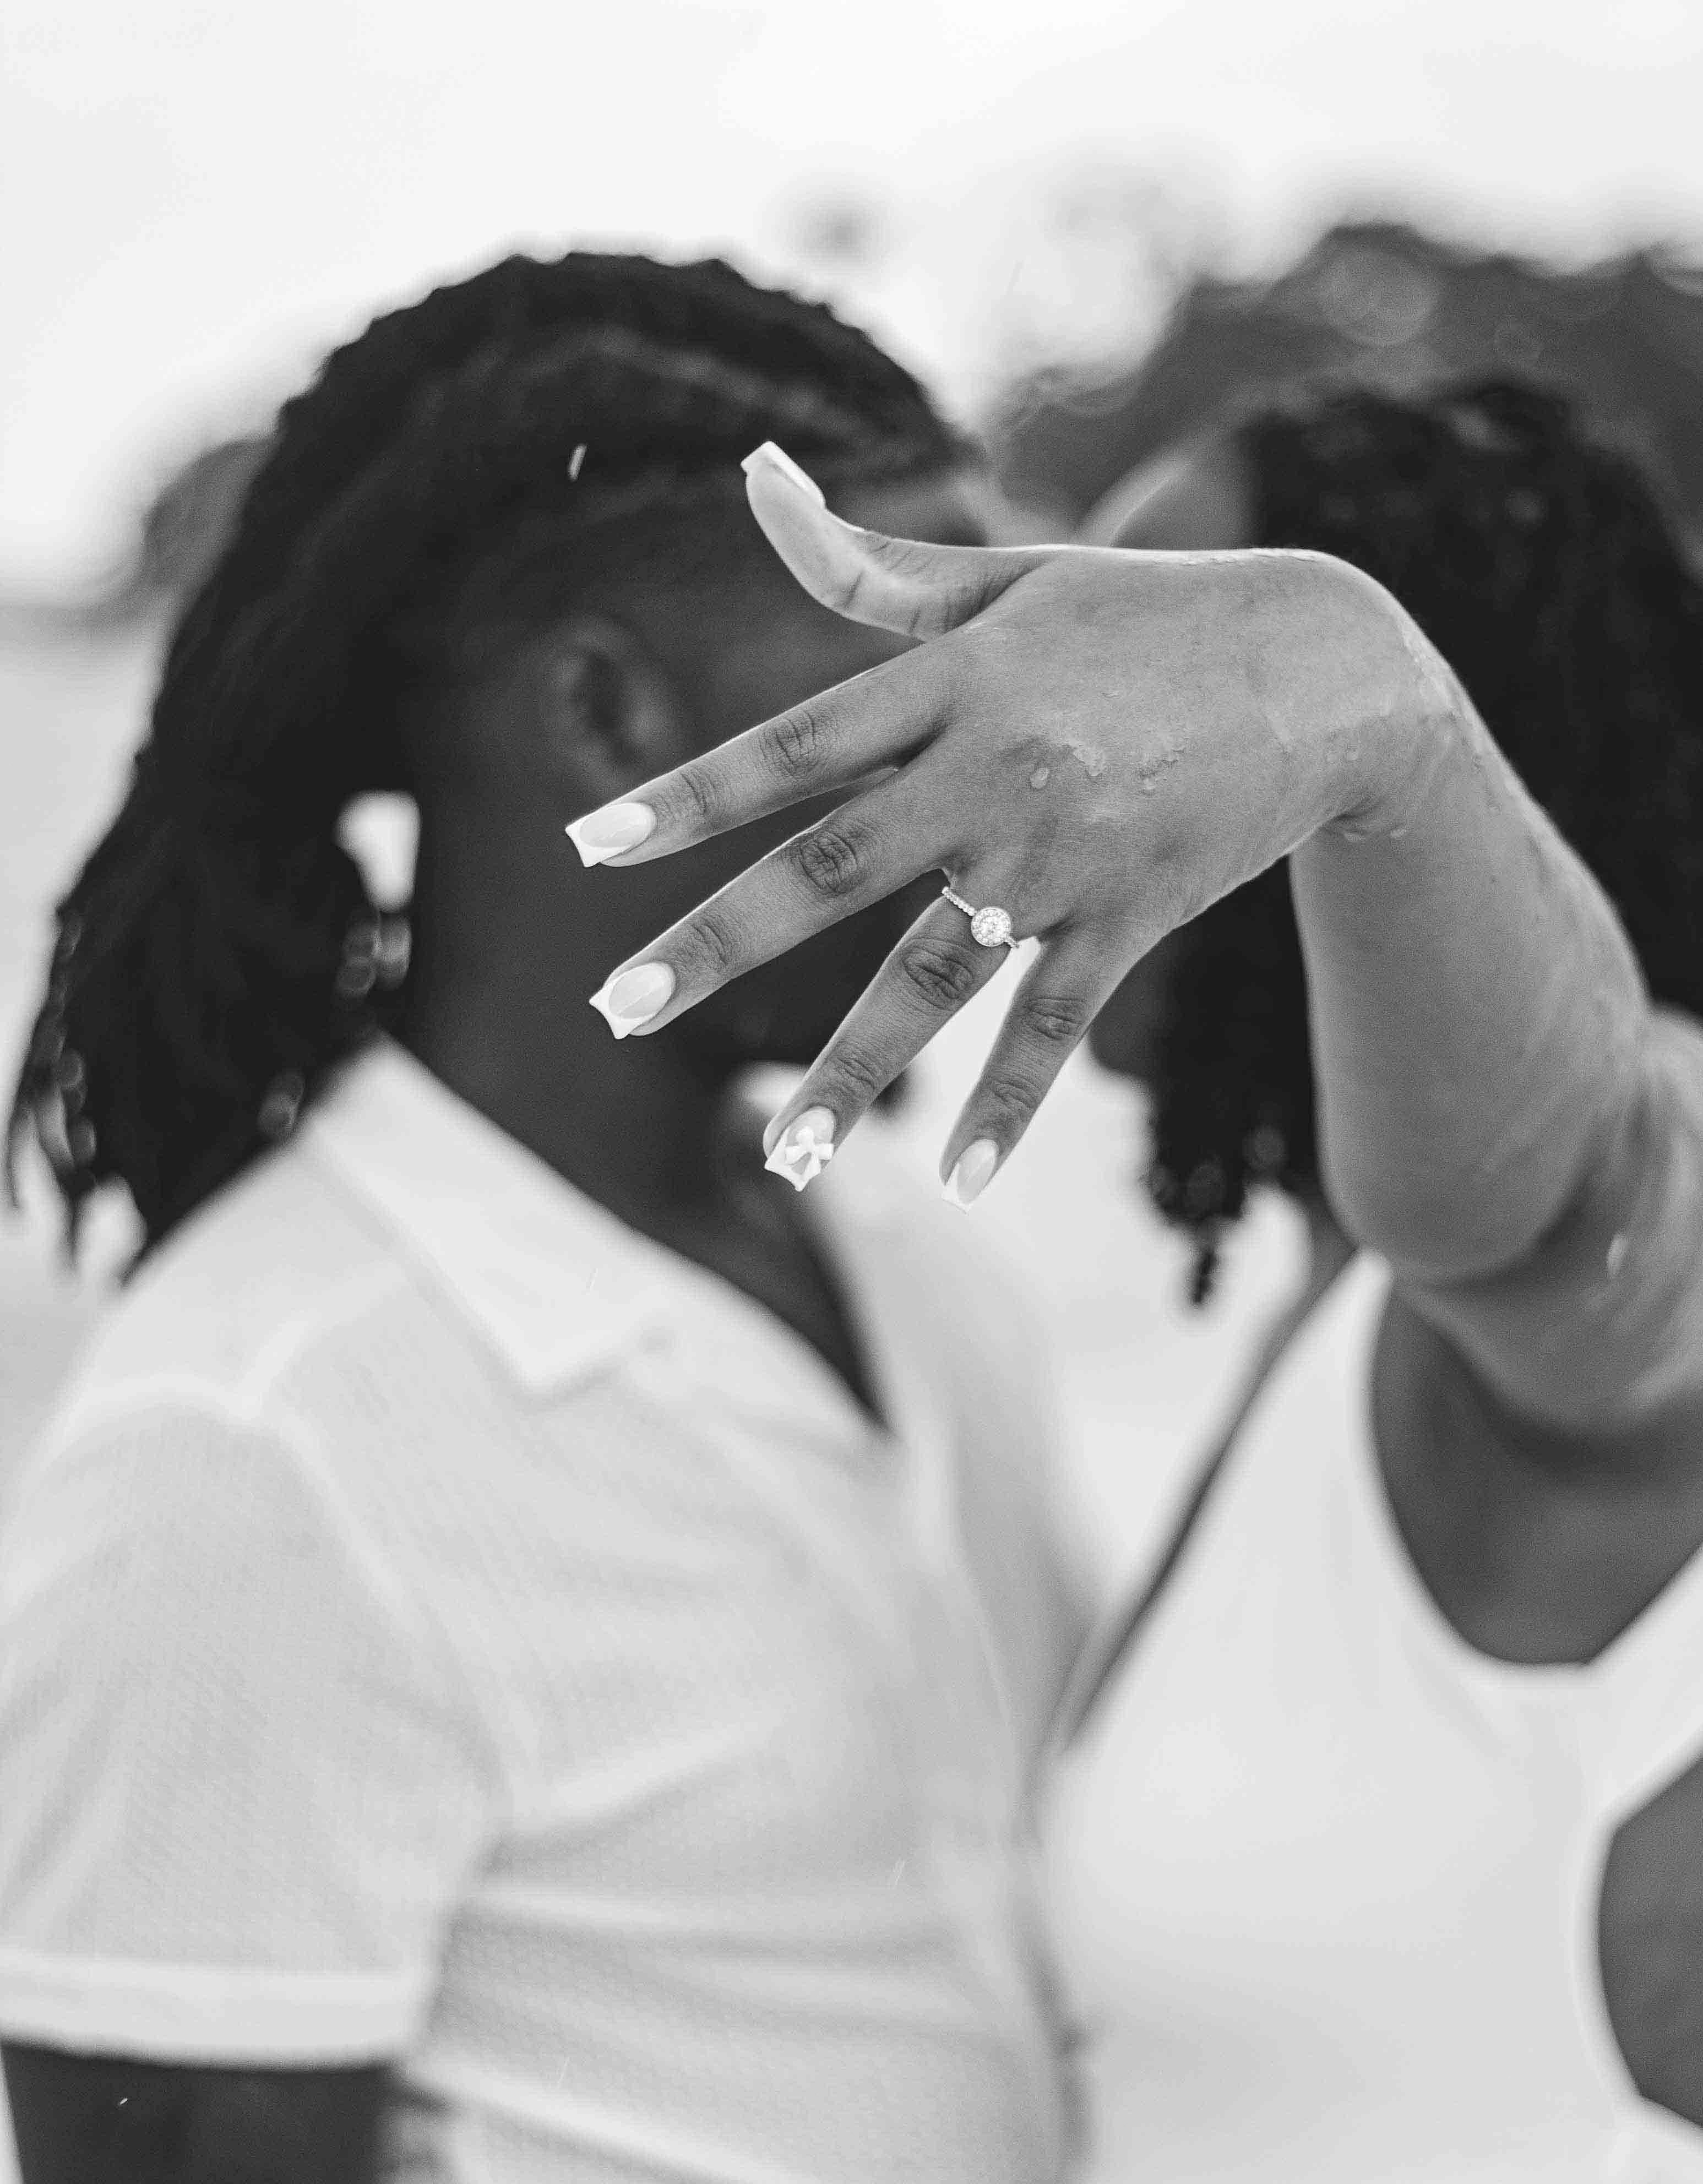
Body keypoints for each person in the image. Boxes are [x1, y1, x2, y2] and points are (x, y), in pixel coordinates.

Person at [563, 385, 1703, 2179]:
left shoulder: (1674, 1219)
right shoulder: (1341, 1315)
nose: (1081, 738)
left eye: (1174, 675)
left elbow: (1541, 1194)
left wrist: (1354, 678)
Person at [0, 253, 1091, 2184]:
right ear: (605, 713)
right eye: (929, 667)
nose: (1031, 754)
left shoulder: (907, 1258)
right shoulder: (248, 1459)